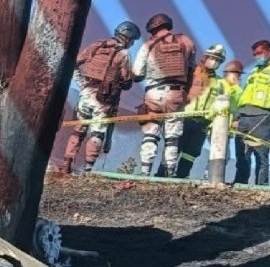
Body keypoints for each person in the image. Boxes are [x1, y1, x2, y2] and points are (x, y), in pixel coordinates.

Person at [62, 20, 139, 174]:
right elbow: (126, 80)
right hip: (104, 99)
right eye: (132, 41)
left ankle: (67, 163)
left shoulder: (97, 46)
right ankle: (88, 169)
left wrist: (82, 83)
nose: (132, 44)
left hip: (85, 93)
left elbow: (75, 63)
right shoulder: (123, 53)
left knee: (78, 129)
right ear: (127, 38)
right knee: (97, 133)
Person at [132, 12, 196, 178]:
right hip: (176, 94)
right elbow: (191, 69)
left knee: (150, 135)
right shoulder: (186, 42)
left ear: (153, 29)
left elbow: (137, 73)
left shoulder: (148, 45)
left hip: (154, 94)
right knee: (172, 138)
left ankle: (145, 172)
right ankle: (169, 173)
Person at [233, 39, 270, 186]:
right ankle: (240, 184)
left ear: (269, 51)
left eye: (259, 53)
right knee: (241, 155)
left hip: (263, 117)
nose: (257, 57)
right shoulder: (254, 71)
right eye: (254, 54)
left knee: (261, 155)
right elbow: (244, 95)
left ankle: (261, 186)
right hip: (244, 117)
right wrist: (236, 116)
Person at [175, 43, 227, 178]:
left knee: (191, 152)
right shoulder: (191, 73)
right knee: (175, 147)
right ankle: (162, 174)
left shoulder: (220, 83)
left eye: (218, 60)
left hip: (203, 122)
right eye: (213, 58)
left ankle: (182, 176)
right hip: (185, 116)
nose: (214, 61)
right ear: (205, 57)